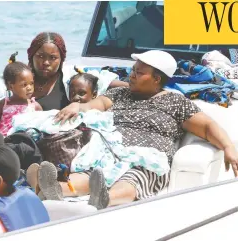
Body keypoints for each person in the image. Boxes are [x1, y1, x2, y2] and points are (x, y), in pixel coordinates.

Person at [36, 50, 238, 209]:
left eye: (138, 73)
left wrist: (228, 146)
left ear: (157, 79)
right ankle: (56, 189)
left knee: (134, 176)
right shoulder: (119, 94)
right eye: (133, 70)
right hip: (112, 152)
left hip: (149, 159)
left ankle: (105, 199)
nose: (131, 76)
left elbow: (207, 126)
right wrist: (77, 106)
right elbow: (94, 105)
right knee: (93, 172)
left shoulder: (175, 101)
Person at [0, 32, 69, 138]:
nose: (46, 62)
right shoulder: (17, 76)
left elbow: (84, 104)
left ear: (61, 60)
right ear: (32, 56)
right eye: (40, 56)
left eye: (53, 57)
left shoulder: (69, 84)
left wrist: (76, 105)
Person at [0, 52, 42, 136]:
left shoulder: (35, 106)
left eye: (31, 83)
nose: (29, 88)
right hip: (4, 141)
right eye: (24, 85)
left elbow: (40, 126)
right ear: (11, 86)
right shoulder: (3, 104)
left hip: (25, 142)